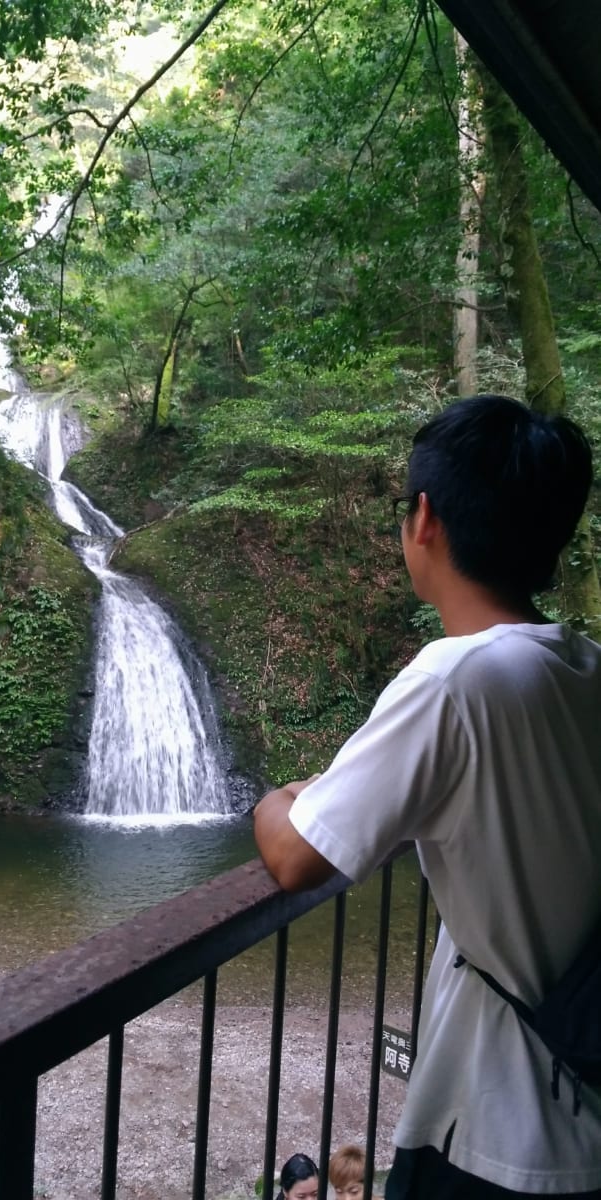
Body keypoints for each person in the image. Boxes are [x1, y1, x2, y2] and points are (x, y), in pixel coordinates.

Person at [254, 395, 601, 1198]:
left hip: (498, 1133)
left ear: (424, 520)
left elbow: (296, 856)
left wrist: (276, 797)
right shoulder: (583, 667)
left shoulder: (454, 679)